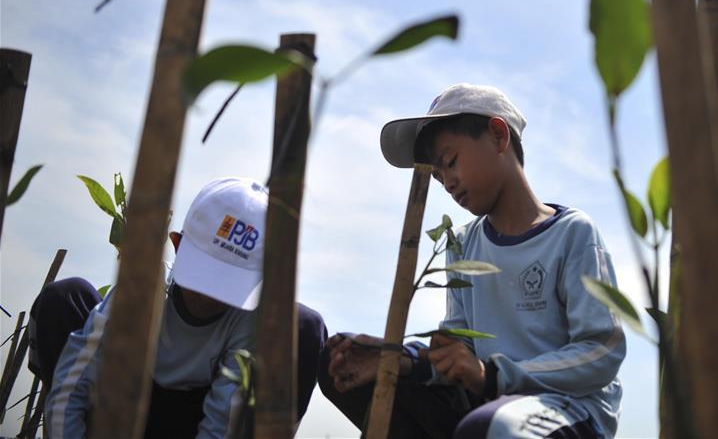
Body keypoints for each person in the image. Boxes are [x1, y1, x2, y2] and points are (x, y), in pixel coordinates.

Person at [319, 83, 626, 438]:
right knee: (338, 366)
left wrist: (494, 375)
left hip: (568, 410)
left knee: (488, 426)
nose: (447, 182)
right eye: (437, 175)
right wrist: (400, 360)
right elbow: (460, 348)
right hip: (485, 403)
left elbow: (601, 352)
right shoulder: (462, 244)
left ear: (498, 136)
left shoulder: (572, 233)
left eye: (450, 162)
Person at [42, 176, 327, 439]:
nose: (209, 298)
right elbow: (72, 387)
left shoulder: (244, 321)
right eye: (202, 278)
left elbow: (222, 419)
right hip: (120, 405)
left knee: (304, 324)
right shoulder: (141, 293)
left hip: (192, 420)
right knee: (65, 297)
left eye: (228, 287)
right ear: (177, 245)